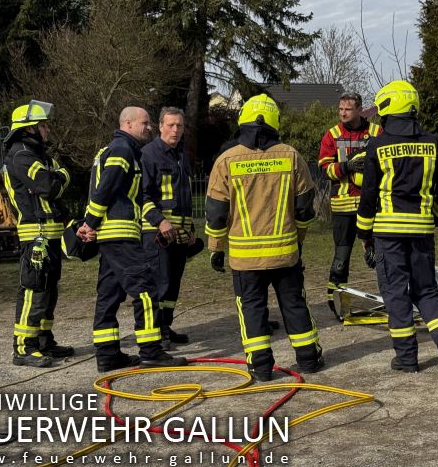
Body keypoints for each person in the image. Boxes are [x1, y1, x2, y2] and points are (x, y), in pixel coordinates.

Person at [356, 80, 438, 373]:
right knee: (427, 291)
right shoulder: (432, 142)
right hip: (421, 231)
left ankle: (407, 358)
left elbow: (369, 194)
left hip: (388, 233)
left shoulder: (378, 145)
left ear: (387, 108)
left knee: (396, 293)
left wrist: (363, 233)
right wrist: (437, 216)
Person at [205, 94, 322, 381]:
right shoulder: (291, 156)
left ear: (243, 121)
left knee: (252, 310)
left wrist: (216, 249)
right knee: (294, 304)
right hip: (286, 253)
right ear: (273, 122)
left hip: (245, 260)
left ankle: (260, 367)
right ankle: (308, 359)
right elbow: (306, 208)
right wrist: (299, 239)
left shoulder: (226, 161)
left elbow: (216, 214)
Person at [77, 107, 187, 373]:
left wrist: (92, 225)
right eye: (145, 123)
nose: (149, 127)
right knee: (147, 291)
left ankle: (107, 354)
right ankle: (151, 351)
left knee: (109, 295)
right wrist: (88, 223)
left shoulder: (115, 150)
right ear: (127, 123)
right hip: (121, 235)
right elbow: (105, 190)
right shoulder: (122, 150)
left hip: (111, 236)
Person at [3, 101, 74, 368]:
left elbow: (63, 175)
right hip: (36, 234)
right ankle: (24, 347)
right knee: (34, 289)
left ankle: (44, 341)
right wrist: (57, 178)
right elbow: (48, 185)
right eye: (42, 126)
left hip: (50, 233)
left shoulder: (41, 156)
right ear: (28, 129)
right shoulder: (21, 155)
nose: (47, 130)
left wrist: (59, 177)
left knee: (48, 289)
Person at [318, 91, 382, 319]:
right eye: (340, 109)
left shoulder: (376, 132)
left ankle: (393, 300)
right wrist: (347, 167)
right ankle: (337, 305)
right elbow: (325, 169)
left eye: (347, 109)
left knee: (380, 256)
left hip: (371, 206)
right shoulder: (332, 135)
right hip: (343, 208)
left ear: (358, 110)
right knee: (340, 260)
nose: (343, 113)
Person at [141, 107, 197, 350]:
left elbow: (185, 195)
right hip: (157, 233)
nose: (176, 130)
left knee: (173, 283)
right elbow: (142, 195)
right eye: (171, 125)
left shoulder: (181, 155)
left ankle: (165, 326)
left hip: (180, 233)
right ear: (160, 126)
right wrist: (159, 221)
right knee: (159, 282)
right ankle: (154, 333)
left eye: (180, 126)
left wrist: (191, 227)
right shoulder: (148, 154)